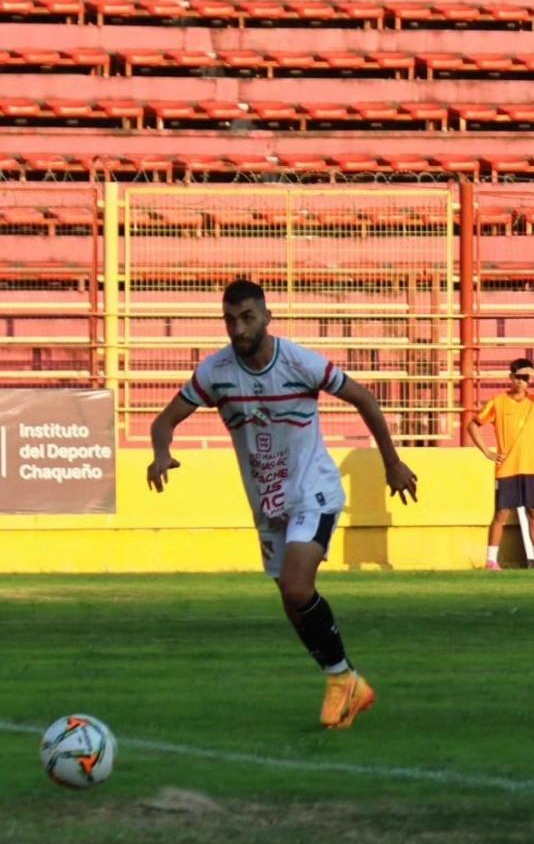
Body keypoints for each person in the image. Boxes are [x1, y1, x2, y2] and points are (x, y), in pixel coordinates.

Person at [146, 279, 419, 729]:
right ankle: (345, 681)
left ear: (266, 316)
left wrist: (392, 462)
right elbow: (164, 421)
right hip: (267, 504)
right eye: (230, 319)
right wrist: (160, 451)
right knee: (292, 601)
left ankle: (343, 682)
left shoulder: (298, 362)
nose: (238, 327)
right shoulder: (215, 372)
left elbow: (363, 398)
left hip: (313, 492)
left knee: (296, 586)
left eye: (247, 316)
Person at [468, 358, 534, 571]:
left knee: (533, 513)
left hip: (531, 466)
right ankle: (491, 560)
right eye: (517, 377)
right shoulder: (498, 402)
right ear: (510, 378)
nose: (521, 382)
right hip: (507, 467)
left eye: (525, 378)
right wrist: (487, 451)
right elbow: (473, 425)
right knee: (501, 513)